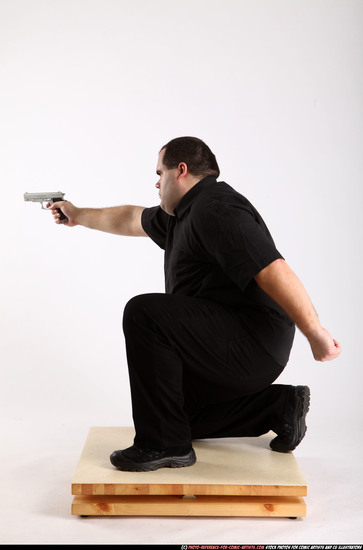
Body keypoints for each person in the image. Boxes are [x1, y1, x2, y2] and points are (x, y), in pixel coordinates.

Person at [48, 136, 341, 472]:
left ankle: (163, 445)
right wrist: (77, 214)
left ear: (181, 171)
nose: (156, 183)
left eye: (161, 173)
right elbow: (130, 218)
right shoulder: (181, 215)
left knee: (144, 313)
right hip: (233, 345)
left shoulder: (216, 208)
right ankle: (277, 407)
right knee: (171, 410)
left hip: (252, 343)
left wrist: (314, 331)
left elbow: (272, 269)